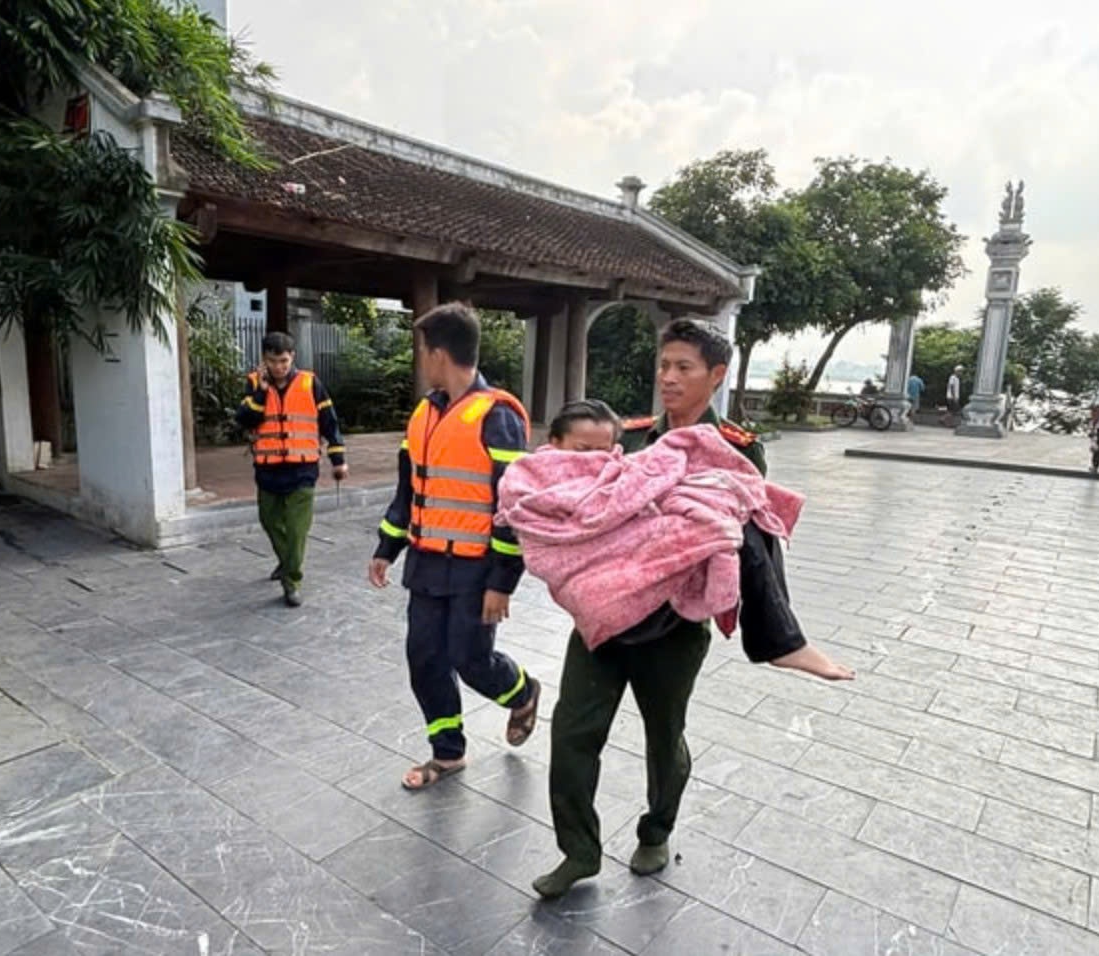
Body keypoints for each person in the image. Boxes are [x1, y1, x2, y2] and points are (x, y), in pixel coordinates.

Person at [529, 321, 852, 900]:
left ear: (717, 375)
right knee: (572, 734)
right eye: (664, 365)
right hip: (604, 619)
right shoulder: (625, 435)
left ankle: (656, 830)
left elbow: (730, 520)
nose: (668, 377)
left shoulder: (736, 444)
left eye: (684, 367)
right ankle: (578, 851)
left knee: (664, 736)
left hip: (674, 626)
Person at [368, 303, 540, 791]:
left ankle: (523, 692)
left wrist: (502, 583)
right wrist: (387, 546)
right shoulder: (424, 413)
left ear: (438, 353)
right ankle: (448, 753)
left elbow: (515, 509)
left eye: (423, 350)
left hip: (475, 570)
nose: (421, 360)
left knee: (470, 659)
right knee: (424, 657)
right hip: (426, 565)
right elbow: (410, 490)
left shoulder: (497, 417)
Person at [235, 332, 347, 607]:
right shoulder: (253, 384)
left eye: (284, 361)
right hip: (268, 470)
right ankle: (287, 562)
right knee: (270, 521)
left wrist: (338, 459)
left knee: (297, 530)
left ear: (292, 357)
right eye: (273, 361)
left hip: (303, 469)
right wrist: (260, 392)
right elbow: (244, 419)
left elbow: (329, 423)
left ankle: (292, 580)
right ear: (264, 360)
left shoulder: (311, 383)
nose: (279, 367)